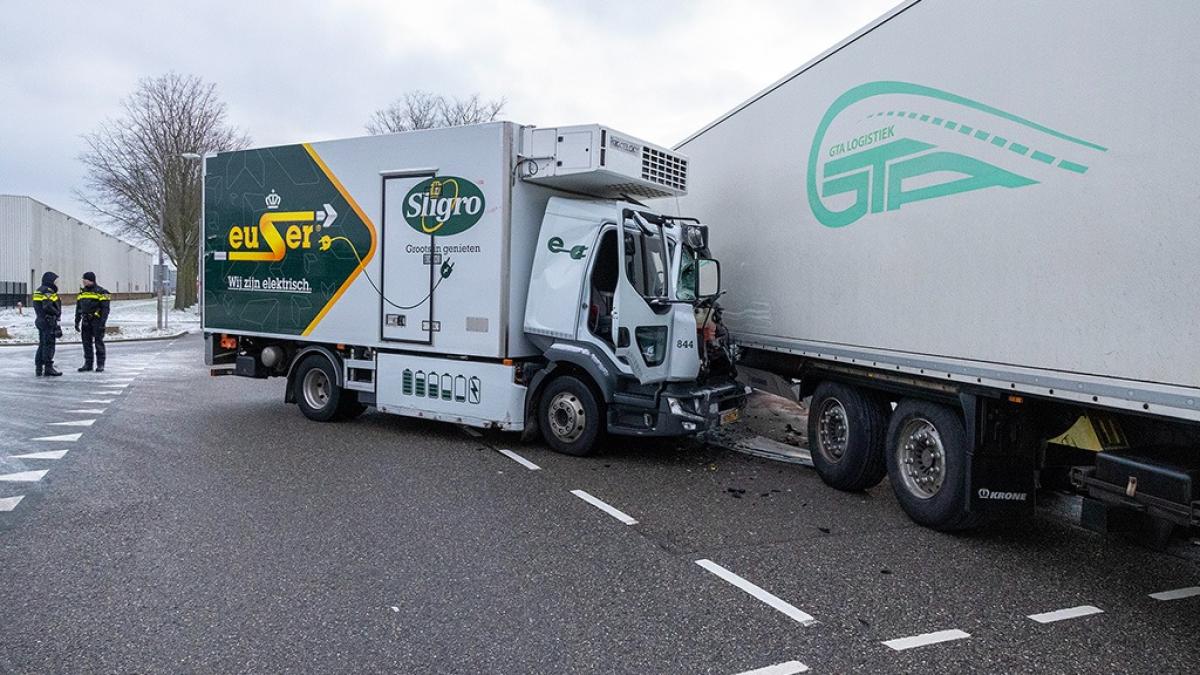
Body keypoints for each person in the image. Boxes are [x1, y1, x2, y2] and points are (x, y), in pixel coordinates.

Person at [75, 271, 111, 372]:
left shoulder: (102, 292)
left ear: (91, 280)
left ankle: (100, 364)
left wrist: (102, 323)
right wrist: (77, 321)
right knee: (86, 343)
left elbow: (105, 309)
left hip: (96, 320)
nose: (83, 281)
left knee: (98, 342)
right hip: (85, 320)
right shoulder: (82, 292)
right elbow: (78, 307)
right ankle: (88, 364)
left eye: (85, 279)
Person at [32, 271, 63, 377]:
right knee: (49, 344)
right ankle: (48, 368)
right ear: (50, 281)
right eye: (55, 281)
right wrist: (57, 312)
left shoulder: (39, 290)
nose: (56, 283)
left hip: (40, 320)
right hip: (48, 321)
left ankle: (39, 367)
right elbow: (47, 306)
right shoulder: (48, 291)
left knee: (42, 344)